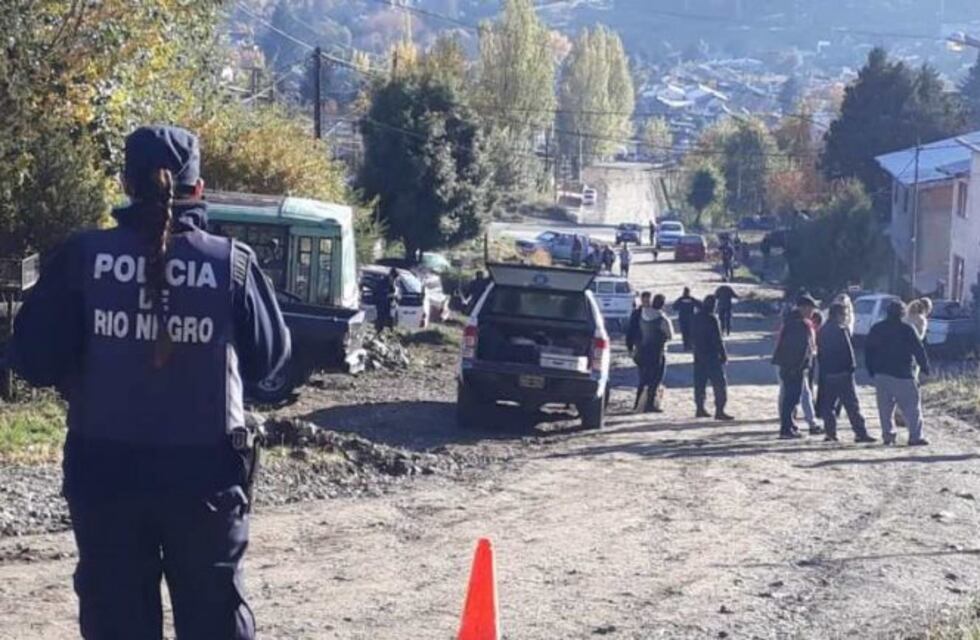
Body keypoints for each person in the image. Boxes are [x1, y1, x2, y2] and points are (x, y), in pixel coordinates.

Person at [8, 125, 291, 639]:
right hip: (205, 480)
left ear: (125, 183)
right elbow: (273, 364)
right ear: (199, 190)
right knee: (214, 622)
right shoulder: (232, 265)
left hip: (105, 476)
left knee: (116, 622)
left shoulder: (82, 258)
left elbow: (30, 358)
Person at [866, 301, 931, 446]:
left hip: (882, 373)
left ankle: (888, 436)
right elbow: (918, 349)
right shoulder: (907, 329)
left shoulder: (877, 328)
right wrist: (925, 368)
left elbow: (869, 351)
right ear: (902, 313)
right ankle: (915, 436)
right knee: (912, 407)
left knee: (885, 409)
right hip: (903, 373)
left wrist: (871, 370)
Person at [817, 304, 875, 443]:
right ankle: (860, 433)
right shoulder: (841, 330)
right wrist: (851, 368)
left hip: (828, 373)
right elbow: (848, 353)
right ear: (837, 315)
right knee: (851, 405)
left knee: (828, 405)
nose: (846, 317)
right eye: (844, 314)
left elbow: (820, 353)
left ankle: (830, 433)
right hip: (843, 373)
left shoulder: (823, 330)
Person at [772, 295, 817, 439]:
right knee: (791, 399)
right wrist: (797, 367)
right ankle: (786, 429)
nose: (812, 312)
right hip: (793, 368)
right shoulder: (799, 324)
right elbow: (798, 349)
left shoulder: (791, 321)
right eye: (810, 309)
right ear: (803, 308)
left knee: (791, 398)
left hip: (789, 366)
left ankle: (789, 425)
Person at [626, 292, 673, 412]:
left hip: (642, 351)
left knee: (643, 379)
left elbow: (630, 332)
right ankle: (649, 404)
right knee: (655, 378)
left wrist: (631, 347)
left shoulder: (641, 314)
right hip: (656, 352)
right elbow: (670, 335)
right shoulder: (660, 317)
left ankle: (638, 404)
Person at [692, 295, 734, 420]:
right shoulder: (712, 319)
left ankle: (700, 408)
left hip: (698, 355)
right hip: (712, 356)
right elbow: (717, 339)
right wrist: (724, 354)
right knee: (719, 384)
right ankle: (719, 410)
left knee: (699, 383)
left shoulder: (695, 318)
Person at [374, 268, 399, 334]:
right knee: (381, 321)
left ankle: (390, 332)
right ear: (390, 276)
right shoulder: (382, 283)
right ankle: (378, 332)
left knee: (390, 321)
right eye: (393, 278)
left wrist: (395, 296)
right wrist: (389, 295)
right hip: (381, 305)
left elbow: (394, 292)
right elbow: (379, 295)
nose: (394, 280)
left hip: (389, 306)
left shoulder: (392, 283)